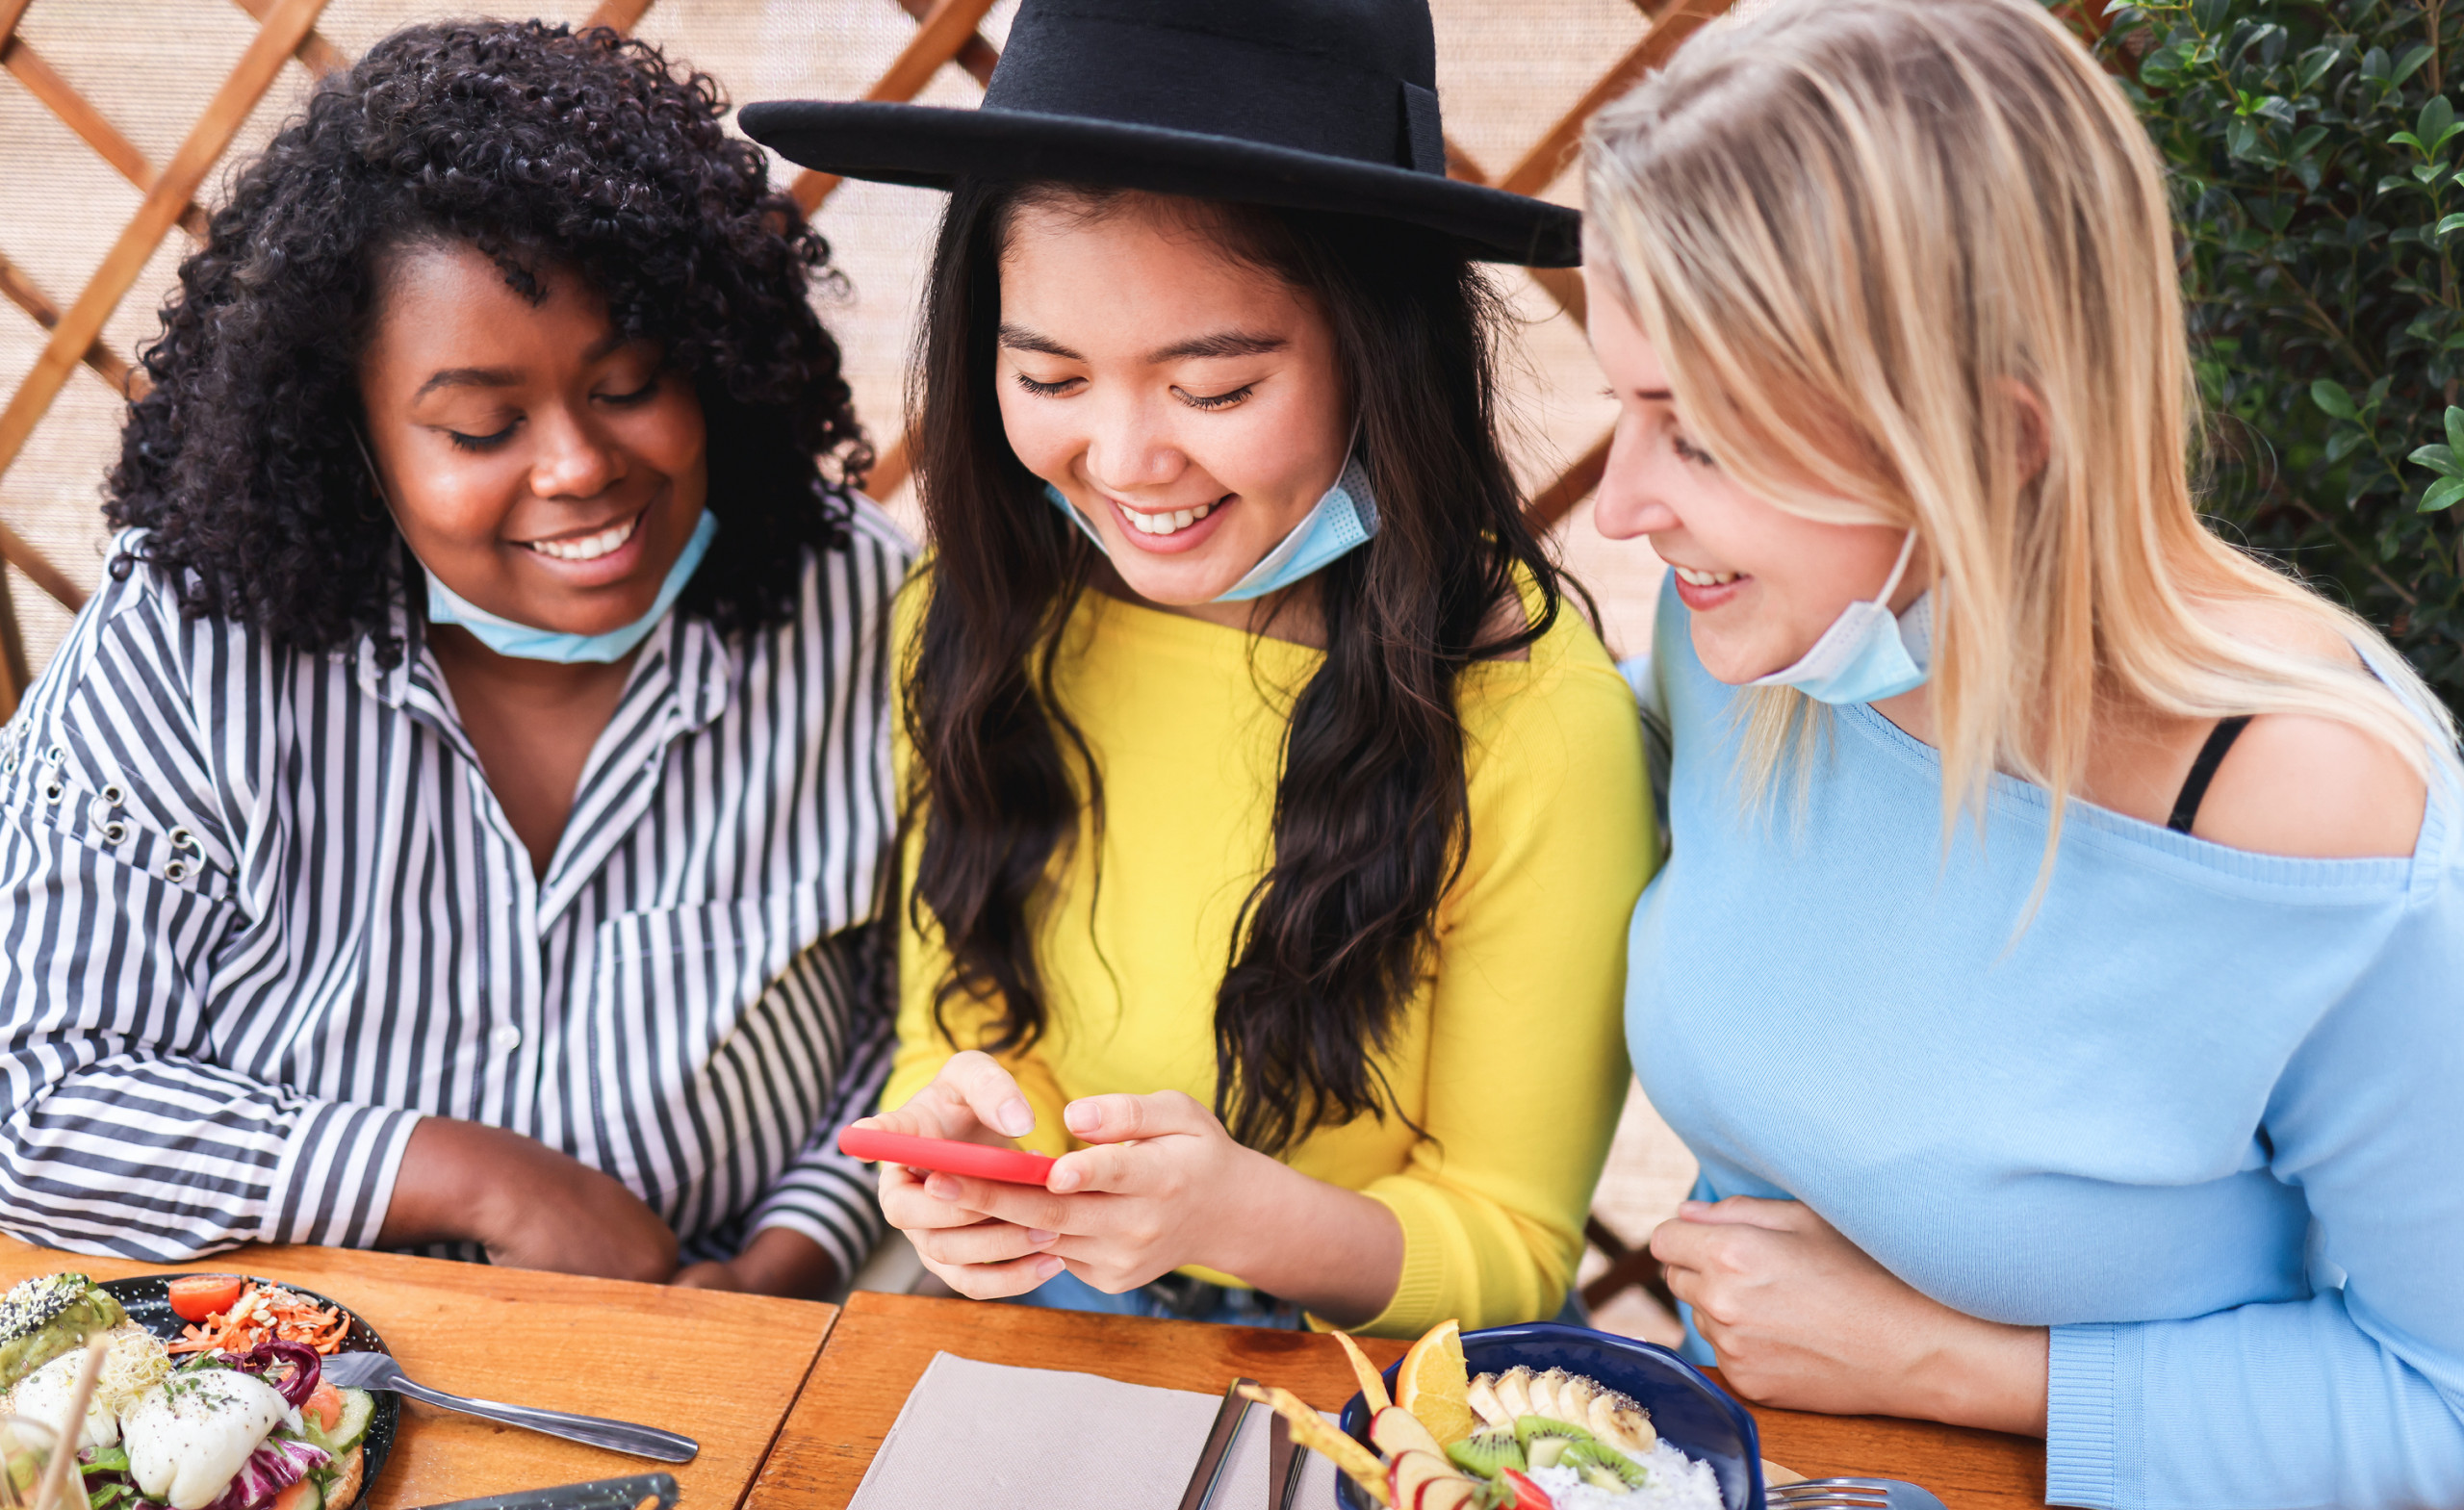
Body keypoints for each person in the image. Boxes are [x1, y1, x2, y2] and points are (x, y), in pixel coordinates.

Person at [1583, 0, 2464, 1510]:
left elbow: (2444, 1397)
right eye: (1620, 407)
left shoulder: (2322, 824)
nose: (1617, 505)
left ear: (1995, 442)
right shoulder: (1755, 640)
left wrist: (1943, 1362)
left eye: (1700, 434)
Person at [744, 0, 1652, 1334]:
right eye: (1048, 378)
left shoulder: (1527, 704)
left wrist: (1233, 1214)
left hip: (1375, 1394)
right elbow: (960, 1031)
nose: (1123, 463)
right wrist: (959, 1154)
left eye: (1215, 391)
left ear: (1377, 349)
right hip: (1045, 1337)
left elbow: (1511, 1247)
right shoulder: (974, 615)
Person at [0, 21, 910, 1299]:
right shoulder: (190, 650)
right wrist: (474, 1175)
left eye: (632, 381)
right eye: (481, 426)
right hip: (296, 1394)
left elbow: (910, 1005)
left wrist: (794, 1252)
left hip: (732, 1344)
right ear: (350, 440)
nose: (579, 467)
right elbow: (41, 1105)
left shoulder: (856, 604)